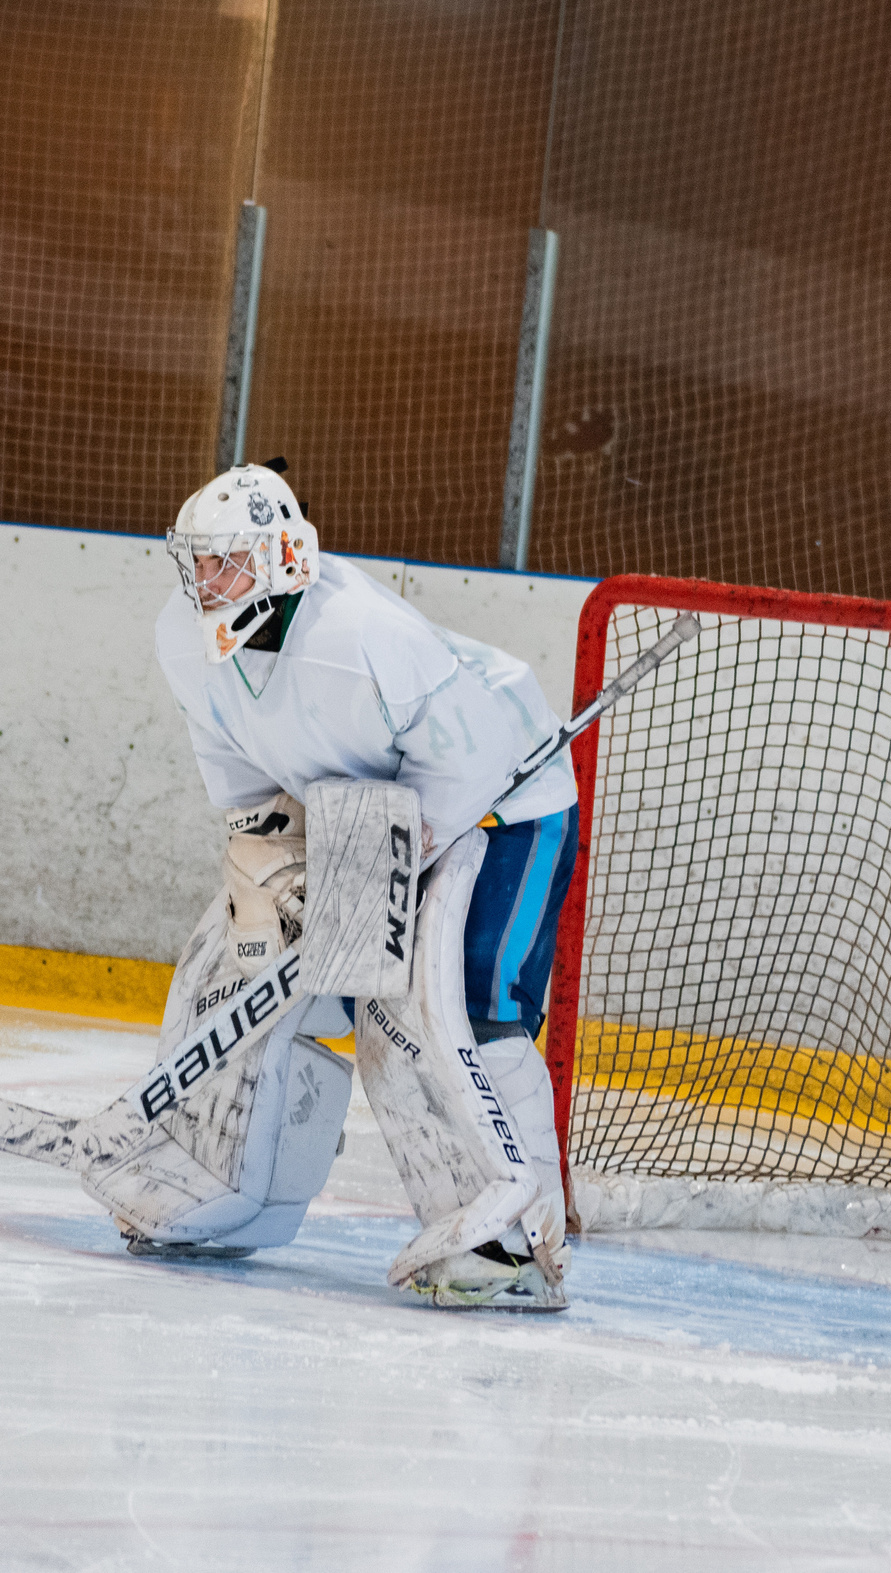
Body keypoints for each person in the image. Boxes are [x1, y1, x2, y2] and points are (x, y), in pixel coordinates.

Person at [91, 459, 582, 1310]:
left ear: (282, 556)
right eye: (197, 562)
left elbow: (464, 770)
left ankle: (514, 1244)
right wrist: (281, 866)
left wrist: (380, 874)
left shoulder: (363, 637)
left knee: (456, 1006)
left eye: (228, 562)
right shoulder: (186, 637)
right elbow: (246, 784)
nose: (206, 583)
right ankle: (231, 1191)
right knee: (263, 984)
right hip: (362, 814)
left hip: (501, 806)